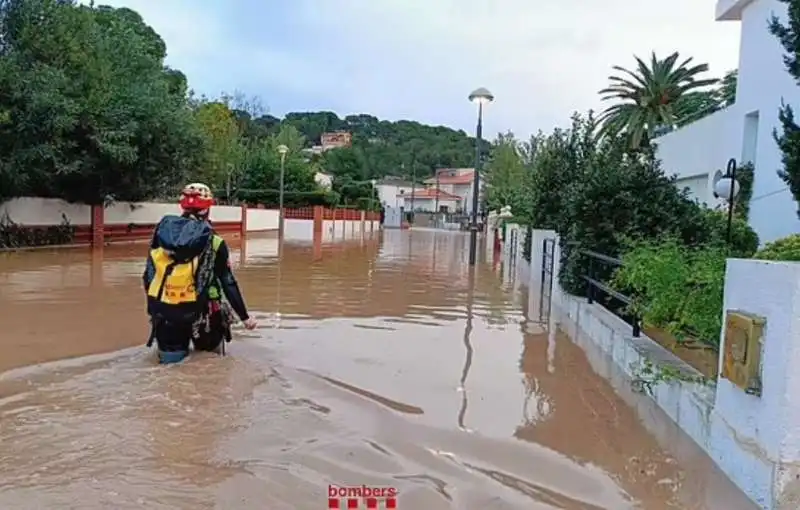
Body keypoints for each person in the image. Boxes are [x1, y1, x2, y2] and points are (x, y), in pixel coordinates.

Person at [143, 183, 257, 364]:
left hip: (167, 311)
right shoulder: (215, 241)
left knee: (168, 369)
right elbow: (227, 281)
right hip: (206, 313)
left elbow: (149, 275)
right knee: (209, 365)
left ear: (182, 205)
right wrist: (245, 317)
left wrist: (156, 307)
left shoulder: (162, 235)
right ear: (208, 208)